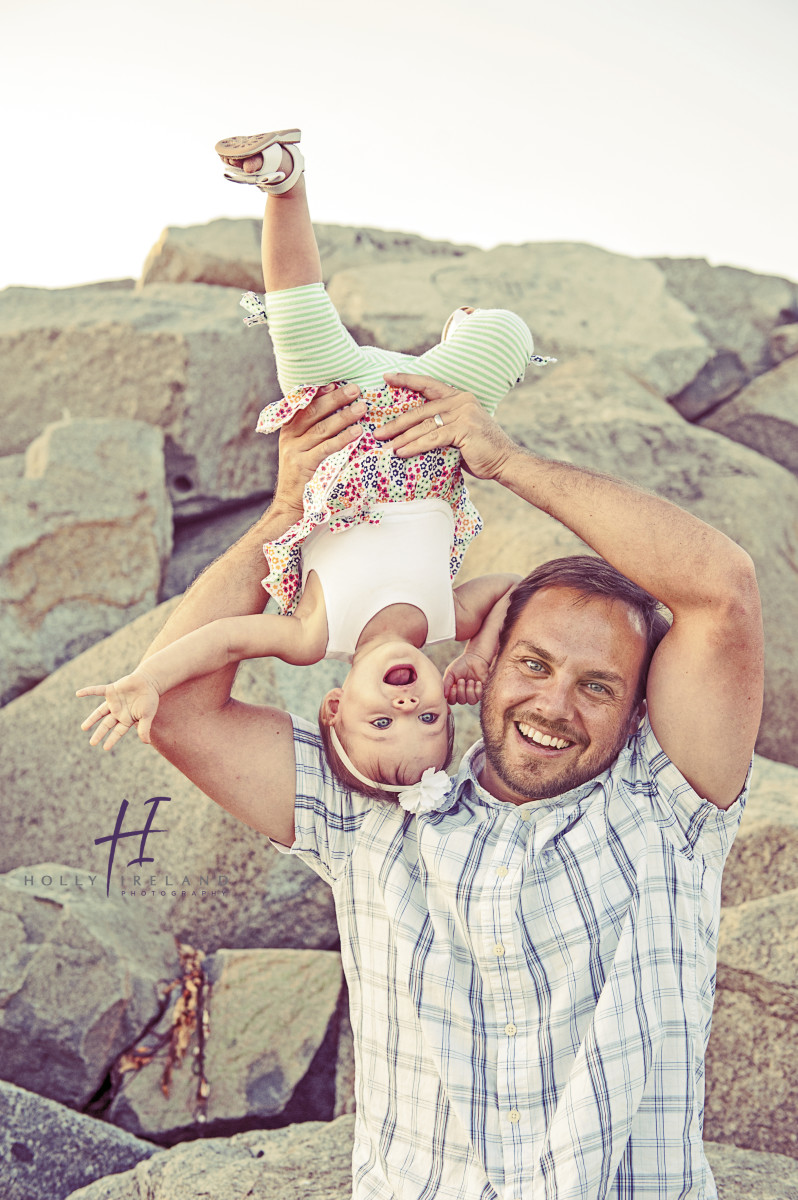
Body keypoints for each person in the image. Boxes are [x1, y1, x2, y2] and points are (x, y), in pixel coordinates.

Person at [80, 221, 763, 1200]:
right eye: (534, 661)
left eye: (598, 684)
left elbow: (721, 586)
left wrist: (505, 460)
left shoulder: (672, 804)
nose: (554, 702)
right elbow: (180, 710)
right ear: (484, 655)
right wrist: (285, 518)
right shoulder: (372, 802)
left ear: (641, 704)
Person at [77, 128, 556, 803]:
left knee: (295, 313)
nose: (406, 705)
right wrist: (480, 656)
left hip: (338, 413)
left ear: (335, 705)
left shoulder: (310, 636)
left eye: (379, 722)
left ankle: (282, 180)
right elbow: (519, 591)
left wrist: (147, 679)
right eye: (427, 719)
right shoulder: (449, 618)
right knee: (509, 334)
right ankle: (464, 332)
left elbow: (217, 641)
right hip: (433, 419)